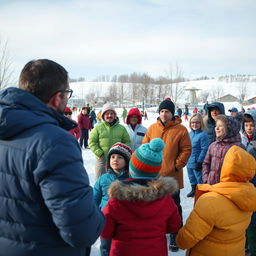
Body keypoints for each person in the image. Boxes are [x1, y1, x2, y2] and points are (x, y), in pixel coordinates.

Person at [0, 59, 105, 256]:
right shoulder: (55, 142)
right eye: (67, 94)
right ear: (57, 98)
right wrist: (99, 213)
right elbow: (81, 230)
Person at [101, 138, 182, 256]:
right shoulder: (165, 199)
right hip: (155, 251)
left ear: (132, 167)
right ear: (156, 171)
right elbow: (174, 225)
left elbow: (105, 230)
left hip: (123, 251)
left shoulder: (117, 200)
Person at [176, 146, 256, 256]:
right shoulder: (249, 197)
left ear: (227, 167)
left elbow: (186, 239)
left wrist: (178, 240)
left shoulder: (210, 201)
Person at [142, 99, 191, 252]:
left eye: (167, 111)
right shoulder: (152, 128)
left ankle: (175, 234)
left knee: (174, 206)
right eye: (162, 111)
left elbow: (186, 149)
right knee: (155, 206)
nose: (164, 114)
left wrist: (177, 165)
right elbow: (144, 146)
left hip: (172, 176)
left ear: (172, 113)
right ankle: (157, 231)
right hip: (153, 176)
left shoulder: (181, 129)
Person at [94, 143, 132, 256]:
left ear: (127, 161)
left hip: (124, 222)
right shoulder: (103, 178)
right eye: (112, 157)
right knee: (105, 246)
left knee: (122, 246)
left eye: (120, 157)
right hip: (105, 219)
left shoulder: (130, 179)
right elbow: (95, 198)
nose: (115, 160)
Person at [89, 103, 131, 180]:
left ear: (115, 115)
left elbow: (127, 142)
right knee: (100, 180)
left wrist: (122, 153)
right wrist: (99, 153)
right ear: (103, 116)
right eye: (107, 113)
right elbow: (92, 142)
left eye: (111, 113)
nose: (109, 115)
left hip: (117, 159)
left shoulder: (121, 128)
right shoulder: (98, 128)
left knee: (117, 181)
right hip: (102, 158)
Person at [202, 115, 245, 185]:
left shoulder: (239, 147)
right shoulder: (213, 146)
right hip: (212, 185)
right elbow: (206, 163)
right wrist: (206, 179)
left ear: (230, 128)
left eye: (221, 126)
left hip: (229, 188)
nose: (217, 128)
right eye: (216, 126)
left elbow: (243, 171)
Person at [241, 109, 256, 256]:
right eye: (246, 125)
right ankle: (244, 245)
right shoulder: (242, 141)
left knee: (253, 220)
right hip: (244, 184)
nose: (249, 128)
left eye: (252, 125)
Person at [186, 114, 209, 197]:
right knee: (191, 176)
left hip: (197, 161)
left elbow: (204, 149)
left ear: (201, 124)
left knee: (199, 177)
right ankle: (193, 189)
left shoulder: (203, 135)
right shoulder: (190, 134)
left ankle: (202, 192)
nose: (194, 125)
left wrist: (200, 162)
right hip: (189, 161)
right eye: (192, 123)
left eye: (197, 123)